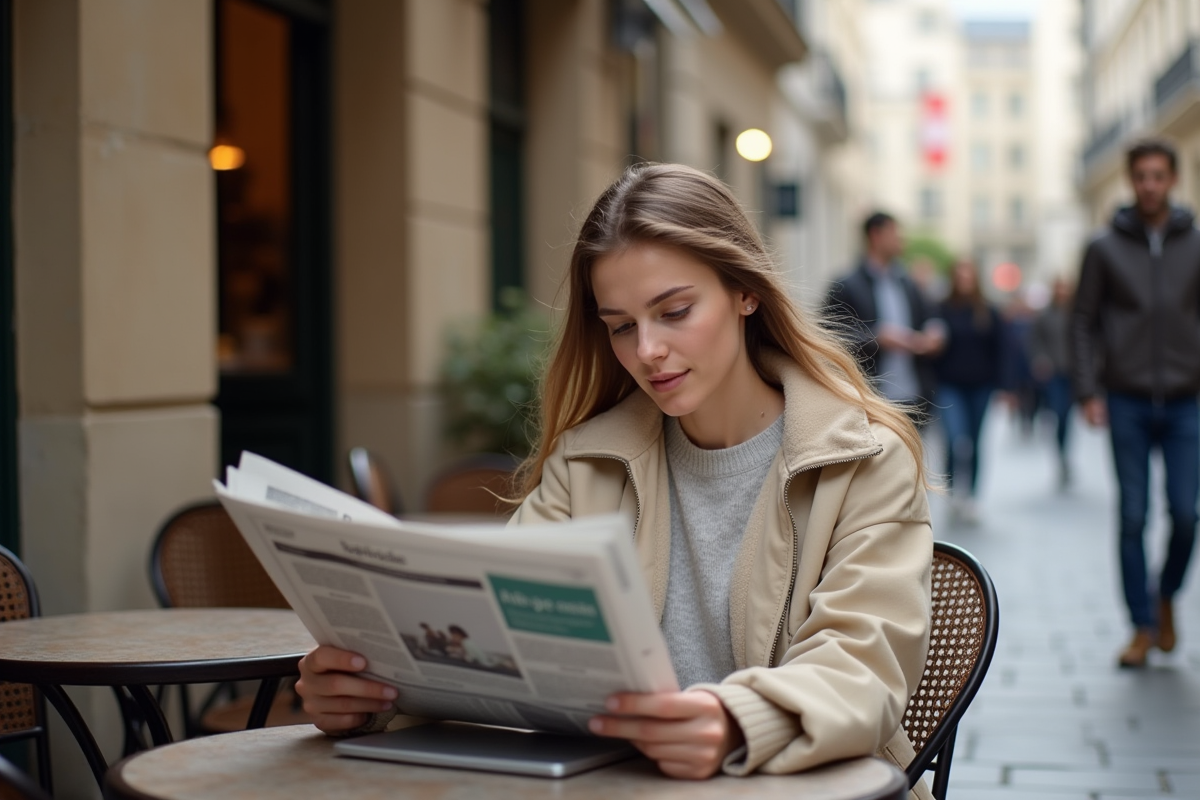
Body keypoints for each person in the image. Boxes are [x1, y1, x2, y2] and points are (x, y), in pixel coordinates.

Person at [296, 164, 934, 795]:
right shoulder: (586, 462)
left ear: (746, 293)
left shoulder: (863, 460)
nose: (646, 350)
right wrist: (370, 694)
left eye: (674, 311)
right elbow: (493, 645)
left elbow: (863, 668)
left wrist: (736, 722)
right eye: (622, 326)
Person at [1071, 138, 1200, 669]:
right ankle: (1141, 626)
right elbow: (1083, 320)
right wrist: (1087, 391)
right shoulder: (1103, 247)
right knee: (1132, 515)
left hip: (1187, 400)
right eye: (1141, 176)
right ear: (1131, 181)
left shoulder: (1195, 243)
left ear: (1173, 180)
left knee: (1186, 515)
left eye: (1158, 176)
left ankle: (1165, 594)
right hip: (1125, 398)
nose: (1150, 185)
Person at [824, 212, 945, 424]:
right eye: (895, 234)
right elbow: (830, 335)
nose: (901, 240)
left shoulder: (908, 282)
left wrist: (935, 331)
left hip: (913, 396)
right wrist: (876, 338)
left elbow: (931, 316)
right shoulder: (846, 285)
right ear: (875, 235)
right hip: (869, 397)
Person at [934, 260, 1005, 525]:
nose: (964, 280)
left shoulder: (988, 311)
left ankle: (972, 496)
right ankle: (953, 492)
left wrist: (1005, 386)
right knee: (954, 440)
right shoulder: (941, 309)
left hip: (981, 387)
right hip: (950, 385)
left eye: (969, 276)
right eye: (960, 275)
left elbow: (1001, 350)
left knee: (975, 442)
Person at [1030, 278, 1075, 489]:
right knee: (1059, 413)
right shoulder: (1045, 316)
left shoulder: (1076, 314)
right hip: (1054, 373)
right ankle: (1061, 455)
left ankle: (1065, 453)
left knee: (1068, 417)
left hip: (1072, 374)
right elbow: (1034, 342)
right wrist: (1041, 360)